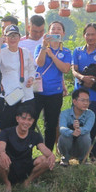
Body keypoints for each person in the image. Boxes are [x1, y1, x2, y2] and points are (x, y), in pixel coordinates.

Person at [0, 106, 55, 192]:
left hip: (27, 166)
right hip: (10, 166)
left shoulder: (35, 135)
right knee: (0, 159)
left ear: (33, 121)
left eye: (29, 120)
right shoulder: (6, 132)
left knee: (46, 159)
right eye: (23, 119)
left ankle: (27, 182)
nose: (26, 122)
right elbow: (1, 147)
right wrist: (3, 154)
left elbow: (43, 148)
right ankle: (7, 183)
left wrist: (51, 155)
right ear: (17, 119)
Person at [33, 21, 71, 151]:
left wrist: (52, 55)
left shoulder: (66, 51)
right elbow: (39, 63)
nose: (56, 31)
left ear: (63, 33)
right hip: (38, 92)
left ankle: (48, 154)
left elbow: (65, 69)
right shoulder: (40, 48)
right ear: (48, 33)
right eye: (53, 29)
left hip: (55, 93)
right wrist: (44, 48)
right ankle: (27, 151)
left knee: (51, 124)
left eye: (59, 29)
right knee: (31, 121)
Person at [0, 24, 36, 130]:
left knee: (26, 126)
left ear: (19, 38)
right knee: (6, 126)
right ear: (5, 38)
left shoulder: (25, 52)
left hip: (26, 95)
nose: (13, 39)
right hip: (9, 95)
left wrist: (31, 78)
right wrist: (0, 44)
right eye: (10, 36)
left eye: (15, 36)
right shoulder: (2, 52)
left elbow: (31, 70)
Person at [71, 23, 96, 160]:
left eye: (93, 34)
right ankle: (78, 155)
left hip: (95, 95)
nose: (90, 37)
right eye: (87, 34)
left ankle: (93, 155)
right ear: (84, 35)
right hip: (79, 93)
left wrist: (94, 80)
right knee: (77, 124)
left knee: (94, 125)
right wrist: (82, 77)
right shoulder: (78, 51)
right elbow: (73, 70)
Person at [57, 88, 95, 166]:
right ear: (74, 101)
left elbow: (88, 128)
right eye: (83, 100)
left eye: (87, 100)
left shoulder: (90, 114)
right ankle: (65, 159)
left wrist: (79, 130)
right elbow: (62, 128)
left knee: (86, 137)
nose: (86, 103)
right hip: (68, 144)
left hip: (81, 144)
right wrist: (72, 132)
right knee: (63, 137)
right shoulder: (65, 113)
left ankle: (83, 159)